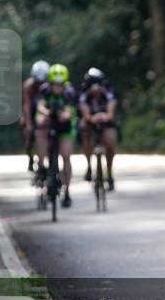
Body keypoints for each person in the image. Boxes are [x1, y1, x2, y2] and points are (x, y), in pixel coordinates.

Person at [35, 63, 76, 208]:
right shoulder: (45, 90)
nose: (58, 87)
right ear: (50, 83)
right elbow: (40, 106)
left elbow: (69, 112)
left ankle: (67, 190)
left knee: (66, 156)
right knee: (40, 128)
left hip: (65, 126)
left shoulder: (69, 92)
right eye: (55, 85)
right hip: (49, 122)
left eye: (60, 85)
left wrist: (62, 115)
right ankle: (41, 167)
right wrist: (47, 113)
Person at [78, 67, 118, 191]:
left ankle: (109, 173)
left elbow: (111, 113)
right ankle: (89, 166)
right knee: (84, 130)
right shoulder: (84, 95)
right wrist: (91, 118)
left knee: (110, 142)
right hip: (90, 120)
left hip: (105, 121)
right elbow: (85, 113)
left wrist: (104, 116)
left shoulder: (108, 93)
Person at [21, 60, 49, 171]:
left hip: (45, 110)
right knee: (24, 126)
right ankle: (30, 154)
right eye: (38, 81)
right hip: (32, 110)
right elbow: (26, 105)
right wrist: (28, 124)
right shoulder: (28, 86)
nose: (40, 84)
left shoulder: (50, 86)